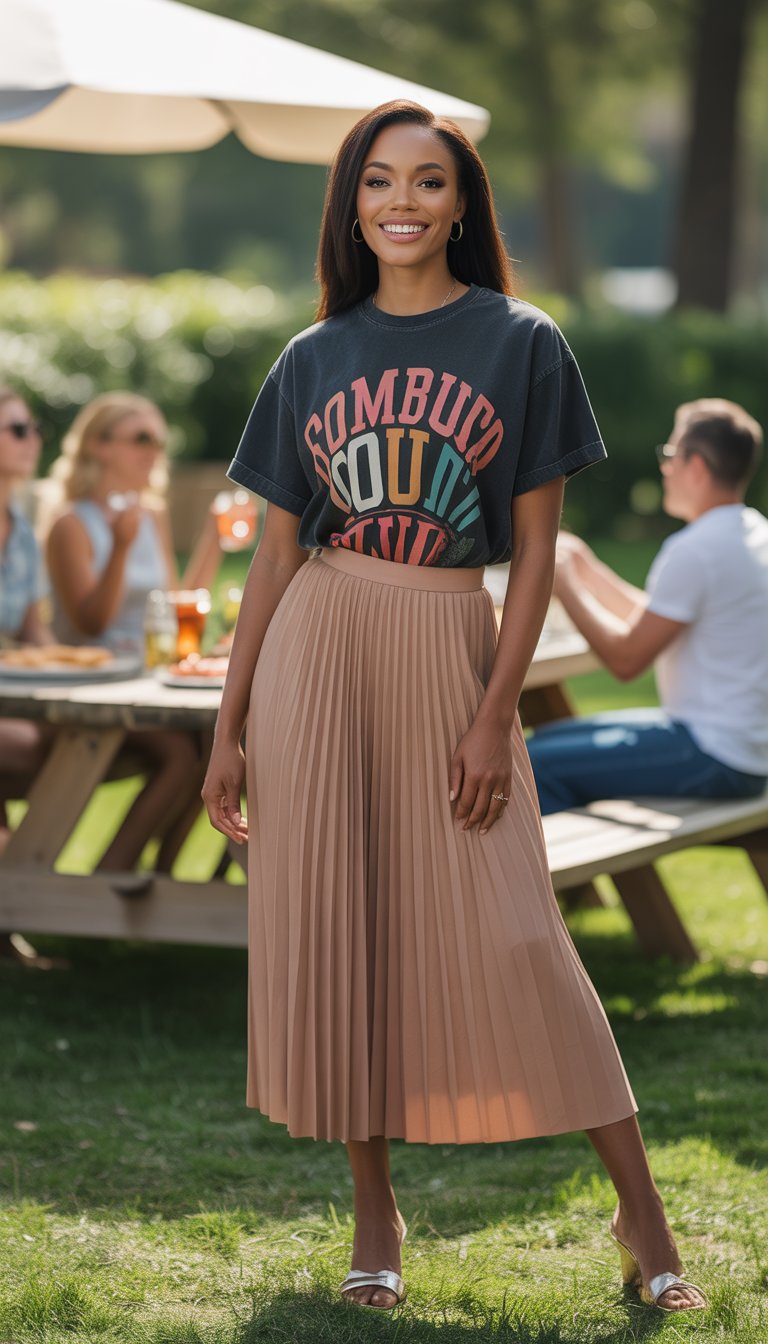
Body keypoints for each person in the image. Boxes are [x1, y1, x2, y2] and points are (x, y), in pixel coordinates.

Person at [202, 101, 706, 1316]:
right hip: (320, 648)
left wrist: (492, 713)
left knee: (523, 929)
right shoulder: (311, 356)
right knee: (346, 934)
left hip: (446, 646)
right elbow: (273, 558)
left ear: (462, 203)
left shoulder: (520, 341)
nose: (403, 202)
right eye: (379, 181)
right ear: (352, 205)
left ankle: (643, 1217)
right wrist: (229, 724)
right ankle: (375, 1216)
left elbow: (534, 556)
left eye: (429, 182)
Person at [529, 398, 768, 814]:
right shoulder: (751, 531)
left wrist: (563, 583)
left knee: (530, 763)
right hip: (743, 748)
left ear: (696, 466)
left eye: (671, 454)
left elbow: (626, 661)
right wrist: (587, 568)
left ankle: (545, 859)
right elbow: (658, 617)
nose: (665, 467)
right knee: (543, 740)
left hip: (714, 754)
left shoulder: (694, 550)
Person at [44, 392, 221, 872]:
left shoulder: (150, 515)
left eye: (160, 441)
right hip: (95, 688)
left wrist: (214, 539)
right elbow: (91, 624)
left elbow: (173, 607)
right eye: (142, 439)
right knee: (180, 752)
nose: (155, 451)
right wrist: (120, 547)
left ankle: (163, 875)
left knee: (215, 741)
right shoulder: (70, 524)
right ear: (98, 446)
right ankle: (115, 872)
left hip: (148, 679)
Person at [0, 385, 52, 847]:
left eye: (34, 429)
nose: (32, 440)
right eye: (17, 430)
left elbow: (34, 630)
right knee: (33, 746)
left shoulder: (22, 533)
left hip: (13, 696)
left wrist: (81, 667)